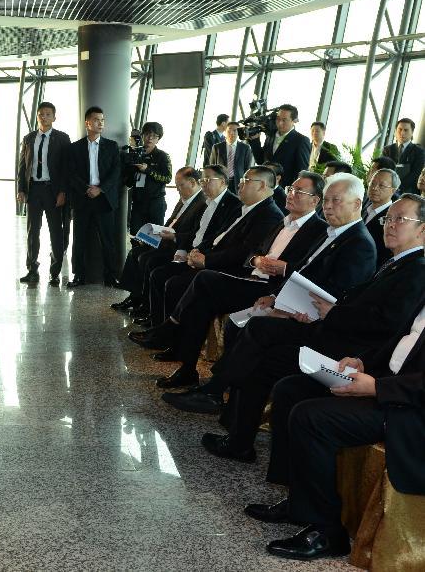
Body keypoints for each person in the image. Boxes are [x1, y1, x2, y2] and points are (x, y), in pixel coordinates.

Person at [195, 195, 425, 466]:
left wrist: (332, 314)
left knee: (266, 347)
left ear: (422, 228)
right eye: (388, 218)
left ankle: (225, 407)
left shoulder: (416, 268)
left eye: (401, 219)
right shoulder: (398, 262)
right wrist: (320, 313)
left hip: (353, 349)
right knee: (262, 339)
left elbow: (388, 324)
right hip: (339, 334)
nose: (389, 225)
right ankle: (237, 433)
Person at [249, 285, 425, 561]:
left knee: (312, 417)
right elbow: (401, 342)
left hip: (412, 410)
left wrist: (378, 387)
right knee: (291, 390)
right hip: (391, 386)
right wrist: (362, 362)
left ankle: (327, 532)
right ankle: (298, 502)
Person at [138, 172, 326, 379]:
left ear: (315, 200)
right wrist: (257, 261)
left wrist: (283, 268)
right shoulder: (284, 221)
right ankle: (187, 368)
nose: (290, 194)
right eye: (291, 189)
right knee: (201, 302)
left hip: (269, 287)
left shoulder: (318, 229)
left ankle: (170, 328)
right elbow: (254, 252)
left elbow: (305, 270)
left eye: (299, 191)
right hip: (251, 276)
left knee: (204, 279)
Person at [129, 164, 241, 324]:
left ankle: (163, 326)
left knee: (163, 275)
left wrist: (192, 252)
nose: (204, 184)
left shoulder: (232, 205)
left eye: (208, 180)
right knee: (153, 267)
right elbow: (197, 233)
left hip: (206, 259)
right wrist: (183, 248)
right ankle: (155, 320)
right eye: (203, 180)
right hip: (191, 251)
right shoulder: (208, 202)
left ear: (223, 181)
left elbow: (218, 239)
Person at [112, 167, 205, 310]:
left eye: (180, 185)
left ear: (192, 182)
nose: (178, 189)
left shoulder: (202, 203)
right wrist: (153, 233)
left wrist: (173, 237)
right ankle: (134, 296)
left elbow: (196, 233)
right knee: (135, 252)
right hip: (167, 240)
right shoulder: (184, 200)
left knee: (146, 259)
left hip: (179, 246)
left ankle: (147, 304)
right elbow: (172, 222)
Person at [16, 102, 71, 286]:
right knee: (33, 232)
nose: (44, 117)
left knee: (56, 231)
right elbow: (23, 166)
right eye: (41, 114)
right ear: (37, 117)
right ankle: (32, 269)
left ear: (54, 117)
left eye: (48, 114)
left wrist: (63, 191)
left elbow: (66, 168)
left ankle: (54, 272)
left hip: (53, 191)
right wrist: (21, 189)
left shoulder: (62, 138)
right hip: (33, 190)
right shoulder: (29, 138)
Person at [67, 107, 121, 288]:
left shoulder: (112, 146)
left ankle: (111, 277)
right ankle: (78, 276)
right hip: (82, 199)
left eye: (102, 120)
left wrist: (100, 189)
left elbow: (116, 173)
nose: (100, 123)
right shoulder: (75, 148)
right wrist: (86, 188)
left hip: (104, 199)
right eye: (96, 120)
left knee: (108, 240)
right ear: (87, 123)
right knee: (79, 239)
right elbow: (71, 173)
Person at [122, 122, 172, 235]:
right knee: (136, 234)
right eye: (147, 134)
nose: (150, 138)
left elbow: (167, 178)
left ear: (158, 139)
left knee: (153, 237)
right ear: (143, 136)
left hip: (155, 203)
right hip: (138, 203)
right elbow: (128, 181)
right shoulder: (135, 154)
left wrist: (148, 170)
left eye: (154, 136)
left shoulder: (162, 156)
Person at [248, 104, 311, 187]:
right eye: (278, 119)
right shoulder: (270, 136)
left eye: (284, 120)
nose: (280, 123)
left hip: (284, 189)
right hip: (264, 186)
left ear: (294, 120)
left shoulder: (301, 140)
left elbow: (302, 170)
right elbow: (260, 161)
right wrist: (255, 141)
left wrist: (292, 190)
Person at [364, 168, 399, 266]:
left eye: (381, 185)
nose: (374, 188)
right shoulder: (363, 208)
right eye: (372, 183)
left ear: (393, 190)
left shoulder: (393, 218)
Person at [381, 118, 425, 194]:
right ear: (395, 131)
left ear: (412, 132)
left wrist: (397, 187)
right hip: (388, 189)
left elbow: (416, 173)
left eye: (406, 130)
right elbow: (384, 169)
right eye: (400, 129)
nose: (402, 133)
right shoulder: (387, 150)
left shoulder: (419, 151)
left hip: (409, 192)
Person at [210, 120, 253, 193]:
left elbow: (247, 168)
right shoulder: (217, 147)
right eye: (229, 130)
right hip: (220, 183)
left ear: (238, 133)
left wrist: (245, 185)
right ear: (225, 132)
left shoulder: (245, 148)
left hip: (237, 183)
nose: (232, 133)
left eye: (235, 130)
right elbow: (212, 167)